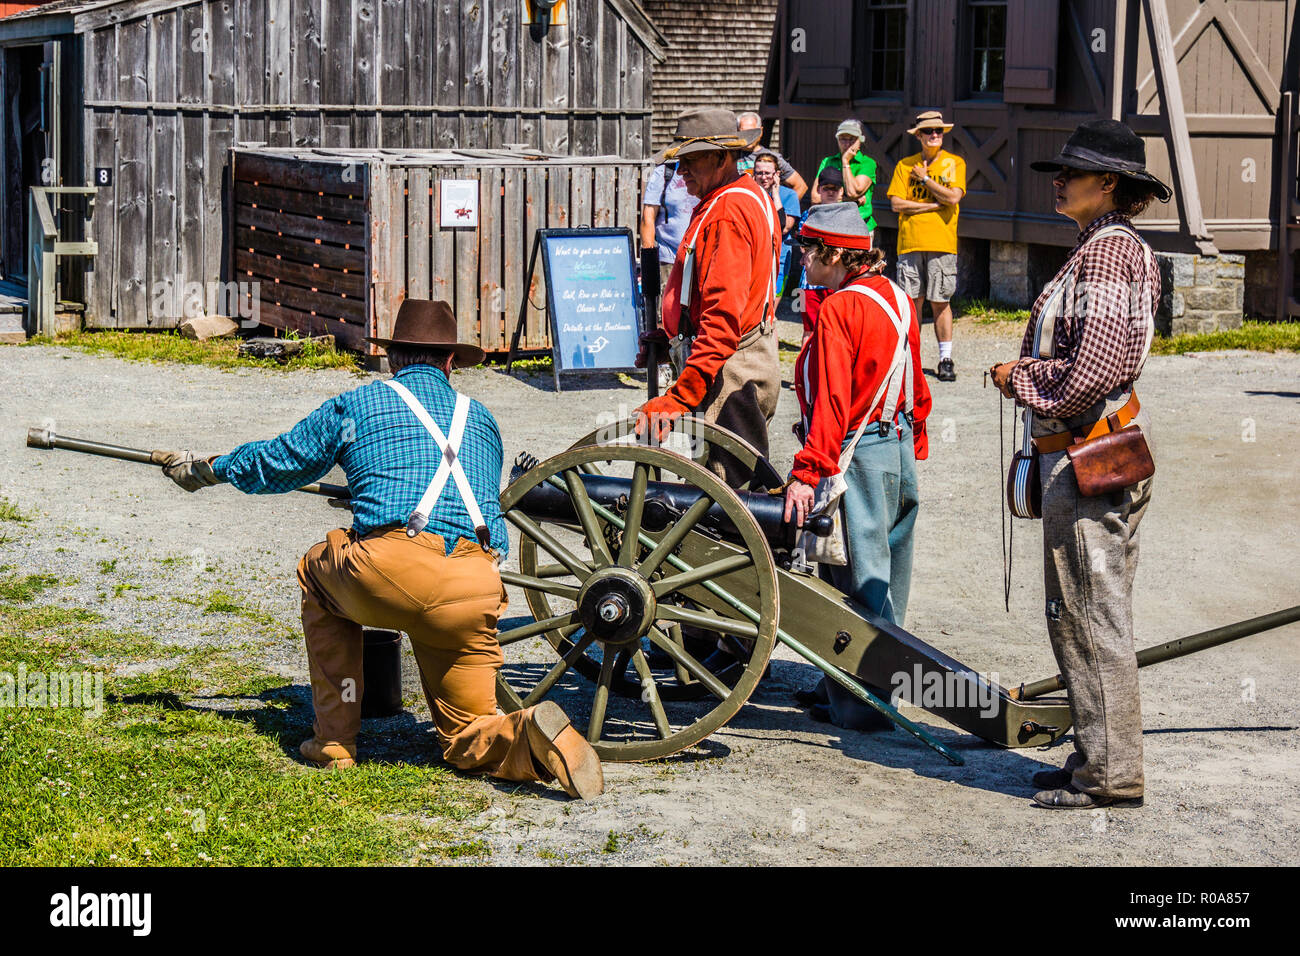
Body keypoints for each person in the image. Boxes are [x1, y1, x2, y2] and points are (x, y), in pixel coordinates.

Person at [158, 299, 603, 800]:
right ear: (451, 362)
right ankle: (527, 733)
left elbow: (281, 462)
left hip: (391, 571)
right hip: (474, 583)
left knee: (316, 571)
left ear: (393, 359)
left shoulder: (359, 404)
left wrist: (209, 468)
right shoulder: (481, 419)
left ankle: (335, 741)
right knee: (464, 734)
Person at [989, 120, 1168, 810]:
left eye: (1073, 173)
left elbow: (1090, 371)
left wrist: (1019, 377)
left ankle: (1111, 774)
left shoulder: (1105, 255)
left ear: (1110, 185)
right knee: (1086, 611)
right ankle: (1096, 754)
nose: (1058, 182)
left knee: (1092, 615)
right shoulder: (1109, 249)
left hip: (1089, 453)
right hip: (1095, 450)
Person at [784, 203, 931, 730]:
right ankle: (866, 690)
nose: (801, 256)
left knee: (853, 579)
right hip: (894, 443)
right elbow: (913, 378)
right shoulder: (894, 296)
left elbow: (833, 400)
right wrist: (915, 439)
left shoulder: (842, 309)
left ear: (834, 253)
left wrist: (809, 469)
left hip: (859, 450)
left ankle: (863, 704)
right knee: (890, 573)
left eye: (807, 248)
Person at [636, 107, 782, 489]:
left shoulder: (727, 213)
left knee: (721, 504)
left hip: (730, 373)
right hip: (743, 358)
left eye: (691, 160)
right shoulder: (750, 194)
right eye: (679, 161)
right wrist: (674, 336)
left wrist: (679, 397)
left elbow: (722, 318)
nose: (681, 171)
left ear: (721, 158)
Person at [887, 110, 966, 382]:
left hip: (942, 242)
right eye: (929, 131)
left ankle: (945, 358)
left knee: (940, 301)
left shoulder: (954, 163)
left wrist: (925, 180)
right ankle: (912, 357)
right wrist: (932, 205)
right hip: (909, 242)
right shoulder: (903, 165)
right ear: (918, 135)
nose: (935, 135)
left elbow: (953, 197)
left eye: (939, 131)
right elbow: (896, 203)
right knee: (912, 303)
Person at [640, 159, 701, 302]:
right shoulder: (664, 172)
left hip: (700, 258)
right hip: (669, 258)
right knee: (667, 313)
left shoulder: (709, 173)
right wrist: (650, 260)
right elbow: (648, 216)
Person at [796, 165, 845, 342]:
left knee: (837, 332)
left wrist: (819, 246)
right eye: (826, 188)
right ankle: (807, 369)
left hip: (837, 283)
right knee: (809, 331)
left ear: (842, 191)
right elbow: (804, 247)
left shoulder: (849, 217)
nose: (831, 193)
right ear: (819, 190)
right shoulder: (808, 215)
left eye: (835, 189)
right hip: (808, 284)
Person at [812, 119, 878, 237]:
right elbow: (816, 198)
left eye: (852, 139)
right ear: (837, 140)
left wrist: (845, 161)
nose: (847, 144)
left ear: (860, 140)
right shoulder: (827, 162)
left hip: (860, 227)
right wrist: (853, 201)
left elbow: (853, 191)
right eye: (843, 139)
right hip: (830, 225)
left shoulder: (868, 163)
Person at [752, 151, 800, 294]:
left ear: (777, 174)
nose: (764, 177)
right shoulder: (750, 195)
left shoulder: (789, 195)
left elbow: (784, 228)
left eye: (768, 173)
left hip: (779, 257)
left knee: (772, 301)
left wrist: (775, 193)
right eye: (759, 173)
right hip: (755, 256)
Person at [737, 110, 808, 199]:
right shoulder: (729, 156)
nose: (748, 136)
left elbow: (800, 186)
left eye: (752, 132)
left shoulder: (772, 158)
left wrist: (784, 210)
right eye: (744, 132)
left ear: (761, 131)